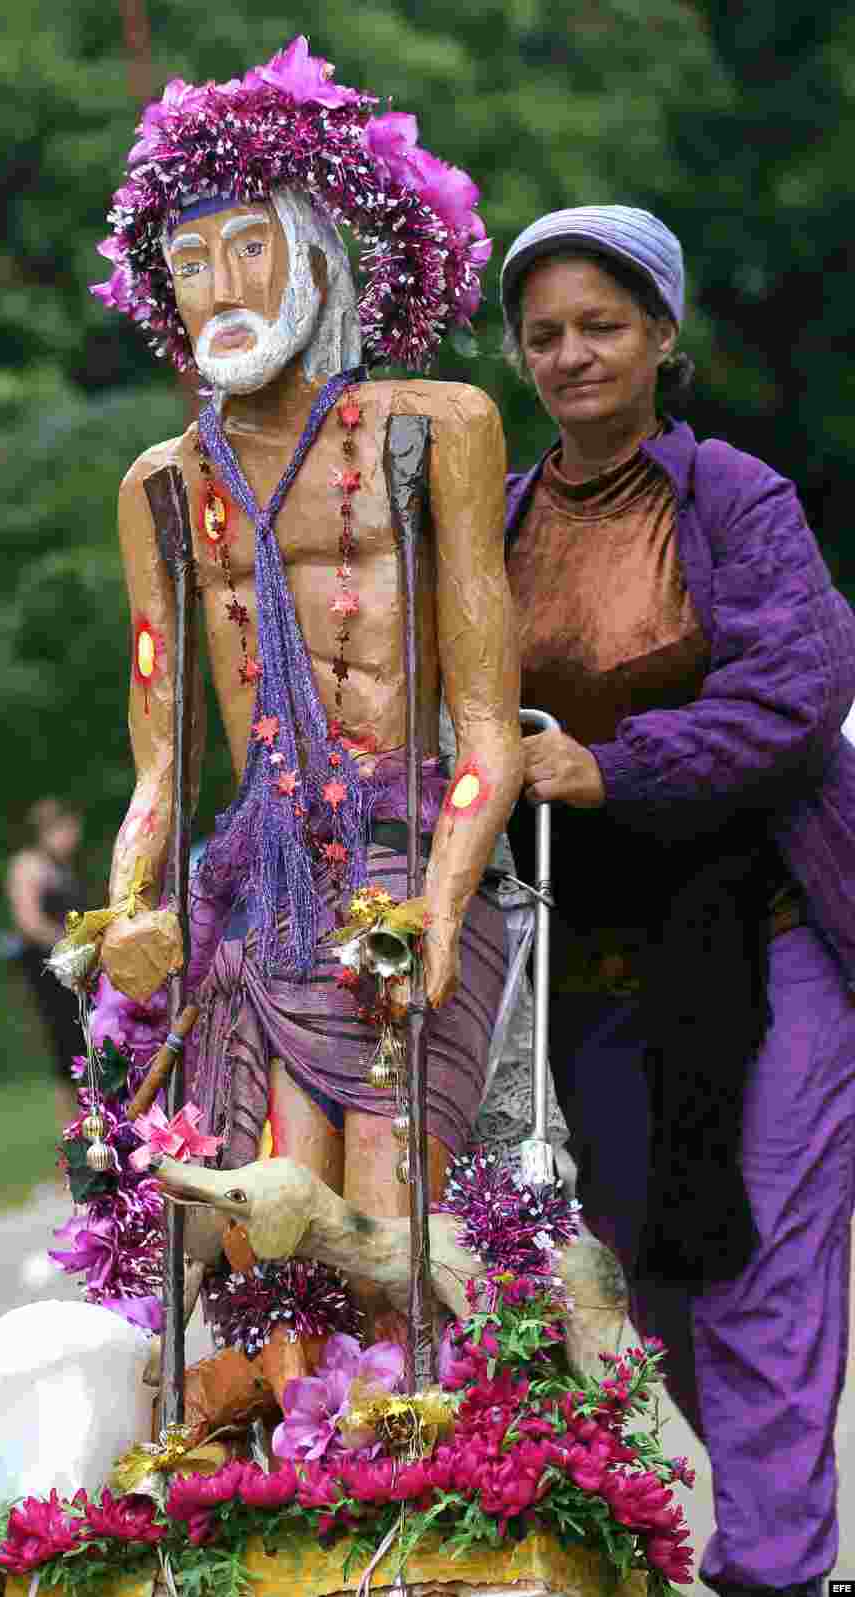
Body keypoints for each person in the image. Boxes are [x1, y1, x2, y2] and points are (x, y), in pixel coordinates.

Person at [89, 40, 522, 1336]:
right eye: (188, 263)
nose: (219, 288)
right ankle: (286, 1458)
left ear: (321, 256)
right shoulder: (162, 488)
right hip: (260, 888)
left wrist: (442, 903)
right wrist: (131, 905)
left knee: (390, 1238)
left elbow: (487, 727)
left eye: (247, 248)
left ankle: (417, 1449)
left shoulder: (438, 426)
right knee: (267, 1259)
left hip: (407, 861)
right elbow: (161, 757)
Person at [499, 203, 855, 1597]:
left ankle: (771, 1568)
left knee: (759, 1261)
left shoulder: (734, 499)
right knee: (650, 1271)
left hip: (766, 929)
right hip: (592, 951)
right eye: (544, 334)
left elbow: (792, 695)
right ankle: (776, 1527)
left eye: (601, 325)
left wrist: (608, 765)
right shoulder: (496, 518)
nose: (572, 354)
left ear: (661, 333)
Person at [6, 797, 84, 1128]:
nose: (73, 837)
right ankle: (70, 1129)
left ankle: (88, 1122)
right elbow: (29, 922)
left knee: (81, 1042)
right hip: (49, 966)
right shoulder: (28, 866)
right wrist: (72, 944)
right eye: (68, 829)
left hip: (72, 964)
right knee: (64, 1044)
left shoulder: (62, 867)